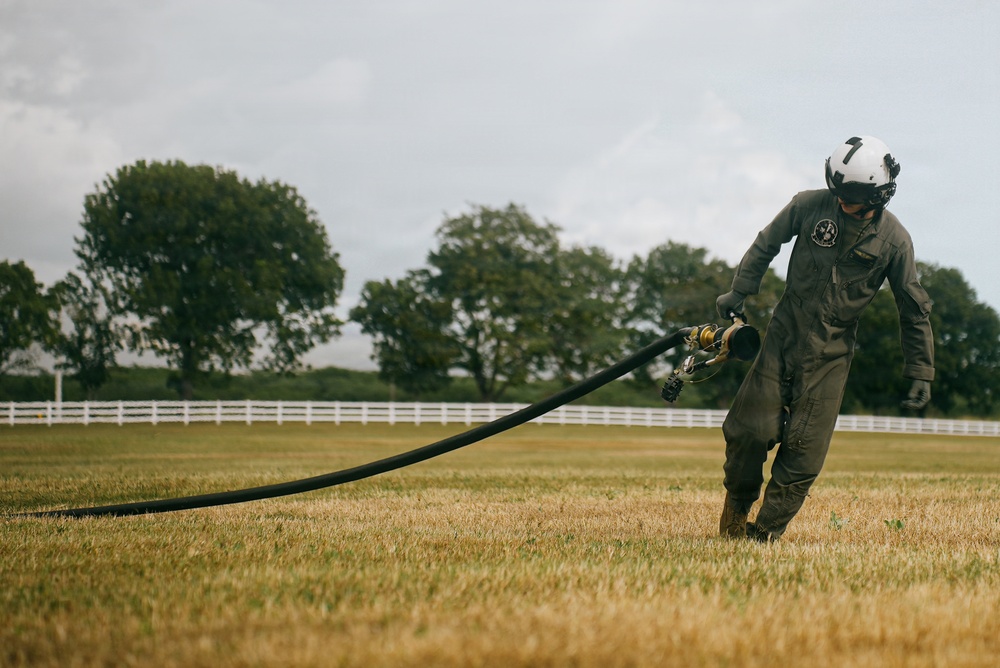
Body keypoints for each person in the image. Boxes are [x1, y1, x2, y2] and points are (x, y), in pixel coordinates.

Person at [715, 135, 935, 542]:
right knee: (748, 431)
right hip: (782, 337)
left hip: (831, 355)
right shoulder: (807, 204)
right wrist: (740, 289)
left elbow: (913, 306)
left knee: (803, 451)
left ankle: (763, 533)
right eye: (836, 191)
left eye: (849, 197)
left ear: (879, 196)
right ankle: (735, 513)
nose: (840, 202)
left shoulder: (894, 241)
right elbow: (767, 243)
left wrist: (920, 369)